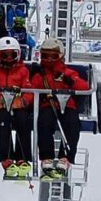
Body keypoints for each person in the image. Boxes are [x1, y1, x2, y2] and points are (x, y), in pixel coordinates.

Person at [29, 38, 89, 180]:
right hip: (47, 105)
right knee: (43, 122)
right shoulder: (39, 74)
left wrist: (71, 81)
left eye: (53, 56)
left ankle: (66, 157)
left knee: (72, 123)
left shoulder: (67, 73)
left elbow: (84, 87)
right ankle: (46, 157)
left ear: (60, 56)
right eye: (45, 56)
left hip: (67, 106)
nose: (49, 60)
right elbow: (31, 90)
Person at [0, 37, 34, 178]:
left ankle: (22, 157)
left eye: (12, 55)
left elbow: (30, 91)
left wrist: (23, 102)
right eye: (4, 55)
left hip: (18, 107)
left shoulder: (23, 71)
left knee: (23, 119)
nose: (8, 58)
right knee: (2, 120)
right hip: (0, 109)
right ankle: (6, 158)